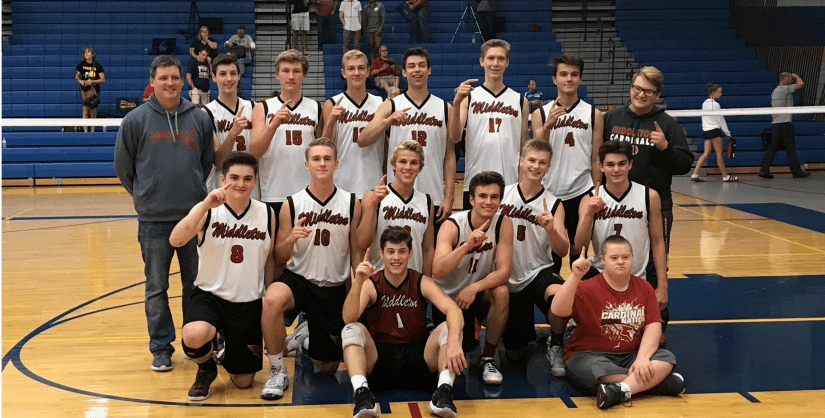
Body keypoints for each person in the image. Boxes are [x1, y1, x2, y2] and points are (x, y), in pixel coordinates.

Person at [113, 54, 215, 372]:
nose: (169, 83)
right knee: (156, 287)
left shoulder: (199, 118)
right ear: (152, 81)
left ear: (182, 80)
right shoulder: (135, 121)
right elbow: (124, 168)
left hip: (193, 219)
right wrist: (146, 195)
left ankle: (194, 344)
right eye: (163, 78)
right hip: (153, 220)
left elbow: (206, 162)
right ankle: (160, 347)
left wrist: (191, 196)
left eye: (174, 77)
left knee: (195, 286)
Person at [260, 138, 362, 400]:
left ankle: (303, 336)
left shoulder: (352, 202)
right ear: (306, 164)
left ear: (336, 163)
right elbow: (280, 256)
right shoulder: (292, 204)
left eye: (327, 158)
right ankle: (277, 370)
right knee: (271, 299)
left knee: (327, 367)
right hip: (300, 278)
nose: (322, 163)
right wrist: (291, 239)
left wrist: (356, 289)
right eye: (316, 159)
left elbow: (355, 251)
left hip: (333, 285)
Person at [168, 151, 275, 401]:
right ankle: (206, 367)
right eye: (234, 178)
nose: (240, 184)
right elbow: (176, 239)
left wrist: (268, 297)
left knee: (243, 382)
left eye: (247, 178)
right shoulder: (208, 210)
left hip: (247, 301)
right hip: (211, 295)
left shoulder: (267, 212)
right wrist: (205, 204)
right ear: (222, 179)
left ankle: (224, 347)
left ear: (255, 181)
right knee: (194, 334)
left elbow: (270, 258)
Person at [602, 66, 693, 333]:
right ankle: (614, 323)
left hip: (655, 205)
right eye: (637, 88)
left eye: (648, 91)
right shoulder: (611, 118)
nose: (641, 94)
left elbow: (684, 165)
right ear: (631, 88)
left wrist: (665, 147)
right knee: (612, 260)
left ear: (657, 95)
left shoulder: (667, 124)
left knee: (655, 264)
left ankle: (657, 326)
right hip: (615, 204)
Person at [342, 226, 465, 418]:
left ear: (410, 253)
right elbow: (348, 318)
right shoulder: (371, 284)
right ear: (381, 253)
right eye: (390, 251)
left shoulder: (421, 282)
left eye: (401, 251)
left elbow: (454, 309)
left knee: (450, 328)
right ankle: (362, 393)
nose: (396, 257)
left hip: (417, 356)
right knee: (351, 329)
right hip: (380, 358)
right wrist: (358, 281)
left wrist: (454, 341)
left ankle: (443, 393)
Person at [551, 236, 684, 409]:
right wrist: (575, 276)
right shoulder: (586, 287)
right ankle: (655, 384)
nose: (620, 262)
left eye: (625, 257)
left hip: (632, 355)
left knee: (666, 358)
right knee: (594, 369)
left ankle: (619, 390)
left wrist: (642, 358)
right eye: (614, 258)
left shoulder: (644, 287)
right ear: (603, 260)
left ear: (632, 258)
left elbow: (653, 325)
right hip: (590, 355)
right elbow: (558, 310)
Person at [358, 47, 457, 231]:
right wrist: (387, 122)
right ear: (404, 72)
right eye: (411, 66)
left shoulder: (445, 108)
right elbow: (363, 140)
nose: (416, 70)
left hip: (433, 195)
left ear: (429, 69)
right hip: (394, 198)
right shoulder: (391, 106)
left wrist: (449, 197)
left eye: (421, 65)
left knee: (429, 248)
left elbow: (450, 156)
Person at [432, 171, 513, 386]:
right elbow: (437, 270)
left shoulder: (503, 222)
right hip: (448, 297)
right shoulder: (453, 224)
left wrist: (474, 288)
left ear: (500, 200)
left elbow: (504, 271)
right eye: (482, 196)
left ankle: (488, 359)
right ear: (471, 199)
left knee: (501, 292)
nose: (488, 202)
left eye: (494, 197)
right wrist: (467, 245)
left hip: (474, 293)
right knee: (461, 352)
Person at [574, 140, 668, 317]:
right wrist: (588, 214)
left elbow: (658, 242)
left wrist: (662, 286)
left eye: (621, 164)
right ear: (601, 166)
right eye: (610, 164)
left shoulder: (649, 196)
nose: (616, 169)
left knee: (653, 329)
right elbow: (580, 246)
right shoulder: (589, 199)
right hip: (600, 276)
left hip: (638, 278)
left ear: (630, 164)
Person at [499, 139, 569, 377]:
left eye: (542, 162)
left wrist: (551, 230)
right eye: (531, 160)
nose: (535, 166)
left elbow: (563, 250)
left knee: (561, 296)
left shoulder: (554, 203)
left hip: (539, 271)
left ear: (548, 167)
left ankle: (556, 343)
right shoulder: (502, 195)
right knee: (515, 354)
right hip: (508, 275)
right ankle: (529, 330)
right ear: (521, 161)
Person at [532, 53, 603, 269]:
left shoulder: (594, 114)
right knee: (551, 254)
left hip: (582, 189)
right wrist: (547, 126)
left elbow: (596, 158)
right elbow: (537, 152)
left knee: (578, 254)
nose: (569, 79)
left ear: (580, 79)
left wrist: (597, 191)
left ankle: (578, 291)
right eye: (563, 74)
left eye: (574, 74)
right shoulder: (541, 113)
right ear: (555, 79)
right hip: (550, 190)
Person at [450, 39, 529, 210]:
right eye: (491, 58)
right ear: (482, 61)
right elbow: (455, 137)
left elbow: (523, 147)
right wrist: (456, 104)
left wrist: (523, 181)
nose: (495, 63)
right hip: (476, 181)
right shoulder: (469, 97)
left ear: (507, 62)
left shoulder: (520, 100)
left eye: (501, 59)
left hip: (510, 183)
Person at [250, 50, 323, 226]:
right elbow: (253, 153)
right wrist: (273, 125)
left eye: (296, 71)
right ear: (277, 75)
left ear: (304, 76)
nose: (291, 76)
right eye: (286, 71)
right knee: (275, 244)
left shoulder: (316, 108)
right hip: (273, 192)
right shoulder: (262, 107)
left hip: (308, 193)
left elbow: (322, 152)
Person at [357, 140, 435, 276]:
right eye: (403, 161)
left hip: (412, 280)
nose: (408, 167)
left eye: (414, 163)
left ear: (420, 168)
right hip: (380, 279)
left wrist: (425, 280)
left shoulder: (427, 201)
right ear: (393, 165)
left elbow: (427, 249)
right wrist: (372, 205)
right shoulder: (373, 196)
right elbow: (362, 242)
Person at [322, 49, 384, 198]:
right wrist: (331, 121)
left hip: (373, 180)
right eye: (351, 68)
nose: (356, 73)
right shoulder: (332, 103)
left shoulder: (380, 103)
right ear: (343, 73)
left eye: (361, 68)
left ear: (368, 71)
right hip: (341, 181)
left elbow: (387, 146)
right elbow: (324, 147)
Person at [204, 54, 259, 199]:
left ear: (239, 76)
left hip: (251, 185)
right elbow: (218, 161)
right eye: (223, 74)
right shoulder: (207, 112)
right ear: (213, 76)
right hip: (222, 186)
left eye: (233, 73)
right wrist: (233, 133)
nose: (229, 79)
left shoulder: (254, 107)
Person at [759, 72, 811, 179]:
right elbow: (801, 84)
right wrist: (795, 76)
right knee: (790, 148)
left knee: (772, 148)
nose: (791, 81)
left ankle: (764, 169)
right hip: (784, 124)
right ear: (785, 79)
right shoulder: (784, 89)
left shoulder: (775, 91)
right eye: (790, 79)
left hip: (776, 124)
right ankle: (796, 171)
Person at [692, 83, 737, 183]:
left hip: (706, 131)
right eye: (719, 92)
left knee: (706, 153)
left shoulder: (704, 103)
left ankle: (695, 174)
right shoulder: (716, 105)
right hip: (715, 131)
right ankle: (725, 176)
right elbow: (721, 120)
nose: (721, 94)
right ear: (713, 92)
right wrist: (728, 133)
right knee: (719, 154)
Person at [75, 46, 105, 132]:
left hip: (94, 90)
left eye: (88, 52)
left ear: (92, 54)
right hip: (84, 90)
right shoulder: (81, 64)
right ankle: (85, 132)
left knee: (93, 111)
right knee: (85, 111)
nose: (86, 54)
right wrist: (80, 81)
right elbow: (76, 76)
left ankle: (92, 131)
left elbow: (102, 79)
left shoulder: (97, 65)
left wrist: (92, 82)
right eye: (85, 52)